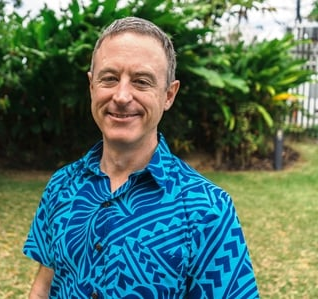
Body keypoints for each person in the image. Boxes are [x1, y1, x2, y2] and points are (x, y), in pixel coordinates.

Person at [23, 16, 259, 298]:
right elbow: (44, 286)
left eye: (141, 81)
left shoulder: (209, 209)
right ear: (91, 87)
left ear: (169, 95)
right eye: (109, 78)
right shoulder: (61, 186)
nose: (122, 96)